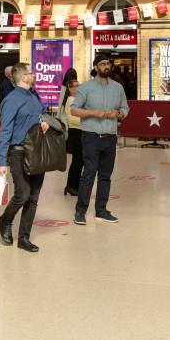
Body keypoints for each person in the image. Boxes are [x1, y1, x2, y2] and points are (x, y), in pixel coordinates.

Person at [70, 54, 129, 225]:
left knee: (105, 176)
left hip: (110, 137)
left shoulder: (118, 88)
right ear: (96, 67)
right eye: (103, 64)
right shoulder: (86, 87)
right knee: (88, 174)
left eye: (108, 64)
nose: (106, 66)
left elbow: (125, 107)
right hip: (91, 137)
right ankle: (80, 212)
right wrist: (93, 112)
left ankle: (101, 210)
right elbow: (74, 110)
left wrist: (118, 114)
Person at [0, 63, 48, 253]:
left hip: (37, 150)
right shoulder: (11, 100)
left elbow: (42, 112)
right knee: (23, 194)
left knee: (33, 197)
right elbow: (5, 130)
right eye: (30, 72)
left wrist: (44, 122)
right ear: (22, 77)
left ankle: (24, 238)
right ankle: (5, 219)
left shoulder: (34, 95)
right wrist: (2, 162)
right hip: (18, 151)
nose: (33, 74)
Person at [59, 78, 83, 196]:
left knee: (80, 161)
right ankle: (71, 186)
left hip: (80, 132)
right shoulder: (71, 100)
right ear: (70, 89)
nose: (79, 88)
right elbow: (74, 119)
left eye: (79, 85)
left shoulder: (78, 100)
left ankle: (74, 185)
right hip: (76, 132)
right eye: (76, 86)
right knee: (77, 161)